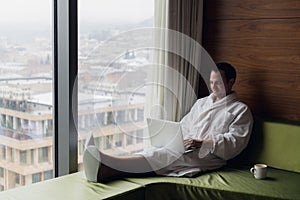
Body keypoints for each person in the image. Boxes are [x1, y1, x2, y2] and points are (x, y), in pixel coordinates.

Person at [83, 62, 253, 183]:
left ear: (231, 82)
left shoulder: (240, 110)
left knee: (160, 156)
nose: (213, 87)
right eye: (211, 82)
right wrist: (173, 137)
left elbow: (236, 143)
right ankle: (106, 168)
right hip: (186, 147)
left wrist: (203, 143)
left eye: (219, 83)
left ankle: (106, 162)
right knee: (156, 150)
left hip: (208, 157)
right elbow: (184, 126)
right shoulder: (202, 103)